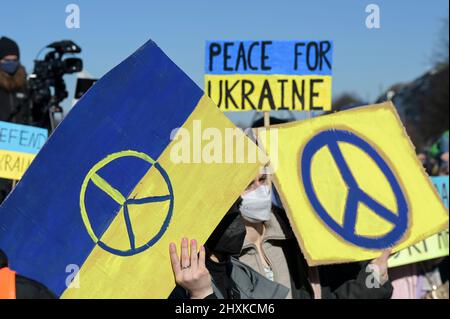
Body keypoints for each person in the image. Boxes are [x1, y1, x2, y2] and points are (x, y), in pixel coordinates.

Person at [237, 173, 394, 299]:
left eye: (263, 179)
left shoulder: (299, 237)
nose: (260, 190)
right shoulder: (220, 257)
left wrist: (375, 278)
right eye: (248, 185)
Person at [168, 209, 290, 299]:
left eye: (236, 206)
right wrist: (201, 294)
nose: (237, 219)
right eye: (225, 210)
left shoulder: (242, 274)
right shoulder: (178, 285)